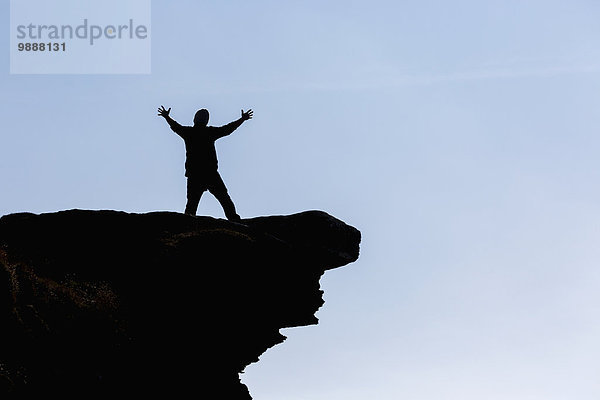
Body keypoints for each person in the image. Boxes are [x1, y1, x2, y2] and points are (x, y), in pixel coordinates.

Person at [158, 105, 253, 220]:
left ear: (194, 120)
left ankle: (188, 223)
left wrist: (166, 117)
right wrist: (242, 119)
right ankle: (233, 219)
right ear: (207, 121)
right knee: (223, 198)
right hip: (209, 172)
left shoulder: (189, 132)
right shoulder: (209, 132)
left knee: (192, 204)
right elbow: (227, 129)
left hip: (195, 173)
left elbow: (175, 126)